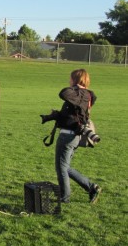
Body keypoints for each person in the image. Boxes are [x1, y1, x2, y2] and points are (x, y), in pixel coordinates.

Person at [42, 69, 101, 204]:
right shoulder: (87, 96)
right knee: (65, 167)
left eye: (71, 79)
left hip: (68, 136)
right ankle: (92, 187)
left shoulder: (79, 94)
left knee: (61, 168)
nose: (69, 81)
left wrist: (76, 88)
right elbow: (72, 114)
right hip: (75, 136)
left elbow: (63, 93)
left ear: (75, 79)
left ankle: (64, 198)